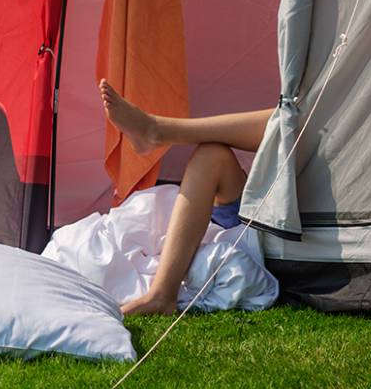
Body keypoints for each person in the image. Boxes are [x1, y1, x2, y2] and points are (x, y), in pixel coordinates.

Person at [99, 80, 272, 316]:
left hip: (280, 224)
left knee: (295, 119)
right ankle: (162, 294)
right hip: (251, 212)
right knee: (211, 155)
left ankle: (158, 131)